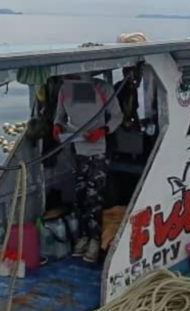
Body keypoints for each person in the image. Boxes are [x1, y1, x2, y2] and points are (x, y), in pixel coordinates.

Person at [53, 73, 123, 263]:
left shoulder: (103, 89)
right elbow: (59, 116)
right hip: (78, 149)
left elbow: (117, 117)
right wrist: (57, 126)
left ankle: (95, 239)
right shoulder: (65, 90)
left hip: (99, 148)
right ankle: (84, 235)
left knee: (94, 196)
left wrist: (103, 130)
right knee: (79, 195)